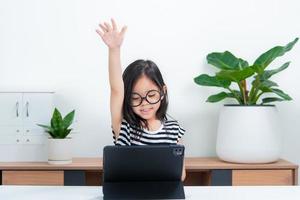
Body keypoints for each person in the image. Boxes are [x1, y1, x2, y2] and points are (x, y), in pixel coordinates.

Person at [96, 18, 186, 181]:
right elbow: (116, 89)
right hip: (127, 190)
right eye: (135, 98)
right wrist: (114, 50)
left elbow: (181, 174)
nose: (144, 103)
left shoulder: (174, 129)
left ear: (163, 92)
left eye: (151, 95)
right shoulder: (124, 126)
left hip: (161, 191)